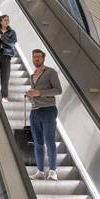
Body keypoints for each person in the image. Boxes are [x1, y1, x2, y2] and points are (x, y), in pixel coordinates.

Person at [25, 48, 63, 180]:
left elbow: (58, 90)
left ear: (43, 58)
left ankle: (53, 171)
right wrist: (30, 96)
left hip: (48, 110)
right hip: (35, 111)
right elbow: (35, 94)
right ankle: (40, 171)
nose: (36, 59)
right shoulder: (32, 75)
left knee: (49, 140)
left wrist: (39, 93)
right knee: (38, 142)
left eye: (39, 57)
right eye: (34, 57)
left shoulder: (51, 73)